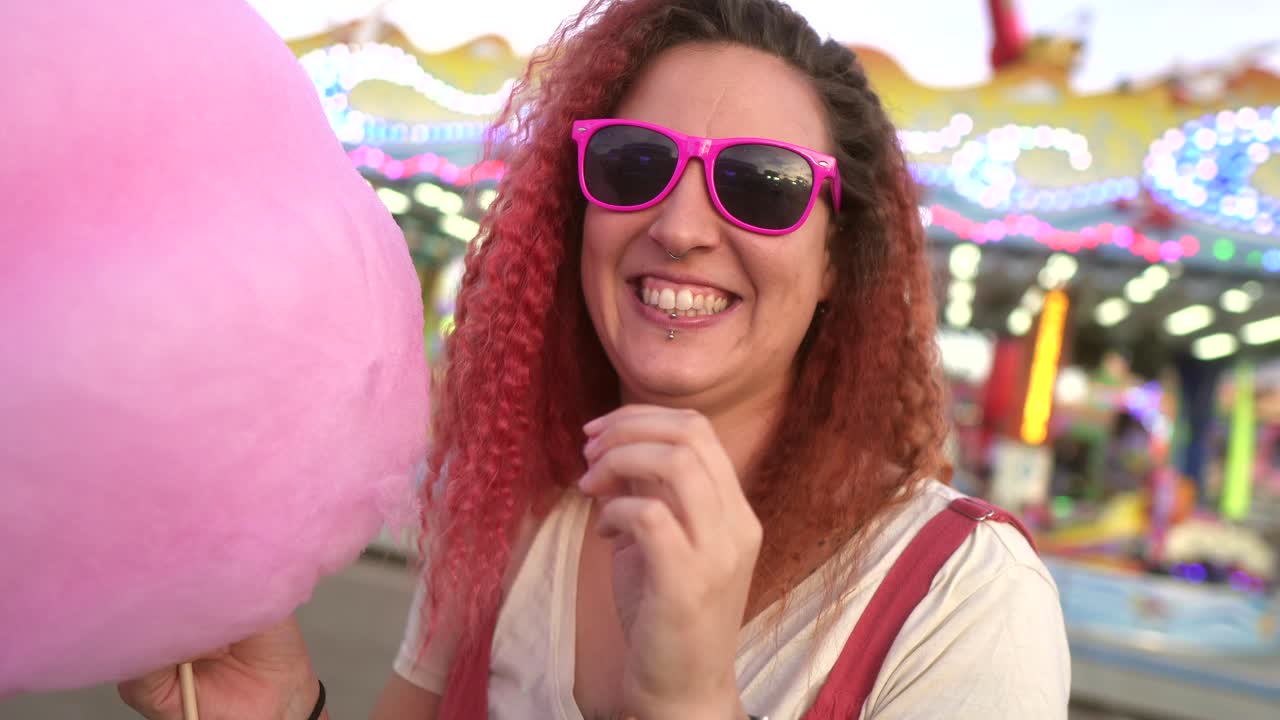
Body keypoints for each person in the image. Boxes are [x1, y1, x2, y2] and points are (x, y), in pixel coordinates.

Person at [120, 0, 1070, 718]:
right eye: (632, 163)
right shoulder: (509, 513)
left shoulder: (963, 599)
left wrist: (692, 700)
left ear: (834, 260)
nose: (681, 226)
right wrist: (287, 711)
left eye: (762, 184)